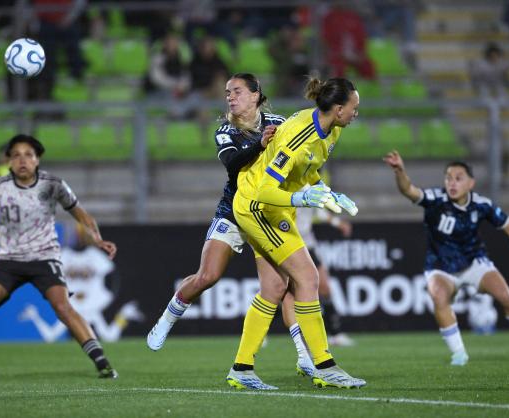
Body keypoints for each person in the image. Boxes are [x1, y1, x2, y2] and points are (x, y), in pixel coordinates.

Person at [146, 73, 316, 381]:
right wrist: (261, 144)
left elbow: (303, 142)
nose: (230, 96)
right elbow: (233, 162)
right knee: (207, 276)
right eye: (227, 92)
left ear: (255, 95)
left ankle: (305, 356)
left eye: (237, 91)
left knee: (283, 285)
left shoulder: (278, 121)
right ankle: (169, 316)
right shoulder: (226, 129)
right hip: (234, 212)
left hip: (266, 212)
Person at [0, 135, 119, 382]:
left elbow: (81, 214)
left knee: (63, 307)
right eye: (17, 155)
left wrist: (96, 239)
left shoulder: (53, 184)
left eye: (28, 154)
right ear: (9, 161)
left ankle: (102, 363)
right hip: (8, 260)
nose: (23, 160)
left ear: (37, 160)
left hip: (44, 257)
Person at [226, 77, 365, 390]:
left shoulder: (334, 129)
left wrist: (326, 192)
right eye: (354, 106)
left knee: (275, 288)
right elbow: (264, 190)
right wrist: (302, 198)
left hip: (276, 208)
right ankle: (324, 365)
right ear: (339, 109)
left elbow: (309, 170)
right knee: (309, 277)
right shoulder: (298, 135)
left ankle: (242, 369)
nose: (357, 112)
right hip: (257, 208)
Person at [383, 150, 509, 366]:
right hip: (440, 265)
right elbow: (408, 190)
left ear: (471, 183)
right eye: (449, 178)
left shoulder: (482, 205)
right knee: (438, 296)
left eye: (458, 178)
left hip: (474, 262)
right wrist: (400, 172)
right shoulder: (436, 200)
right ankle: (459, 354)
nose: (452, 183)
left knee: (505, 296)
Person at [294, 185, 354, 346]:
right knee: (280, 292)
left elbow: (319, 212)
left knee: (325, 287)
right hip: (290, 244)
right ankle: (261, 330)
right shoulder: (284, 182)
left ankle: (336, 333)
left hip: (308, 243)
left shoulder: (309, 185)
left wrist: (337, 223)